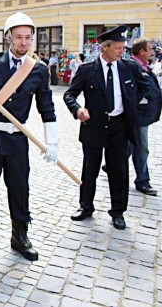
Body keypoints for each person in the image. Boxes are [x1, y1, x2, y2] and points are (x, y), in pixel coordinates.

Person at [0, 12, 58, 265]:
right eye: (18, 37)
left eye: (28, 38)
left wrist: (52, 142)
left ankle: (20, 237)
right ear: (9, 38)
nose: (23, 43)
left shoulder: (39, 70)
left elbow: (46, 106)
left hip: (18, 140)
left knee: (20, 190)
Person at [64, 25, 150, 230]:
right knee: (90, 170)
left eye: (123, 47)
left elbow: (145, 88)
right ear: (105, 47)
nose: (122, 51)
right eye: (118, 47)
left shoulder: (129, 67)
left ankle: (118, 212)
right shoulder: (87, 70)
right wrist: (78, 110)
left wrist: (131, 104)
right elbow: (69, 95)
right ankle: (86, 207)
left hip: (119, 127)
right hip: (93, 127)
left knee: (119, 171)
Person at [126, 38, 160, 195]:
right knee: (141, 148)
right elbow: (131, 92)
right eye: (150, 49)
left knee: (132, 144)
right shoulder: (132, 67)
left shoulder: (143, 66)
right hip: (137, 115)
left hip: (143, 114)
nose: (152, 52)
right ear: (142, 52)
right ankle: (142, 180)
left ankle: (112, 164)